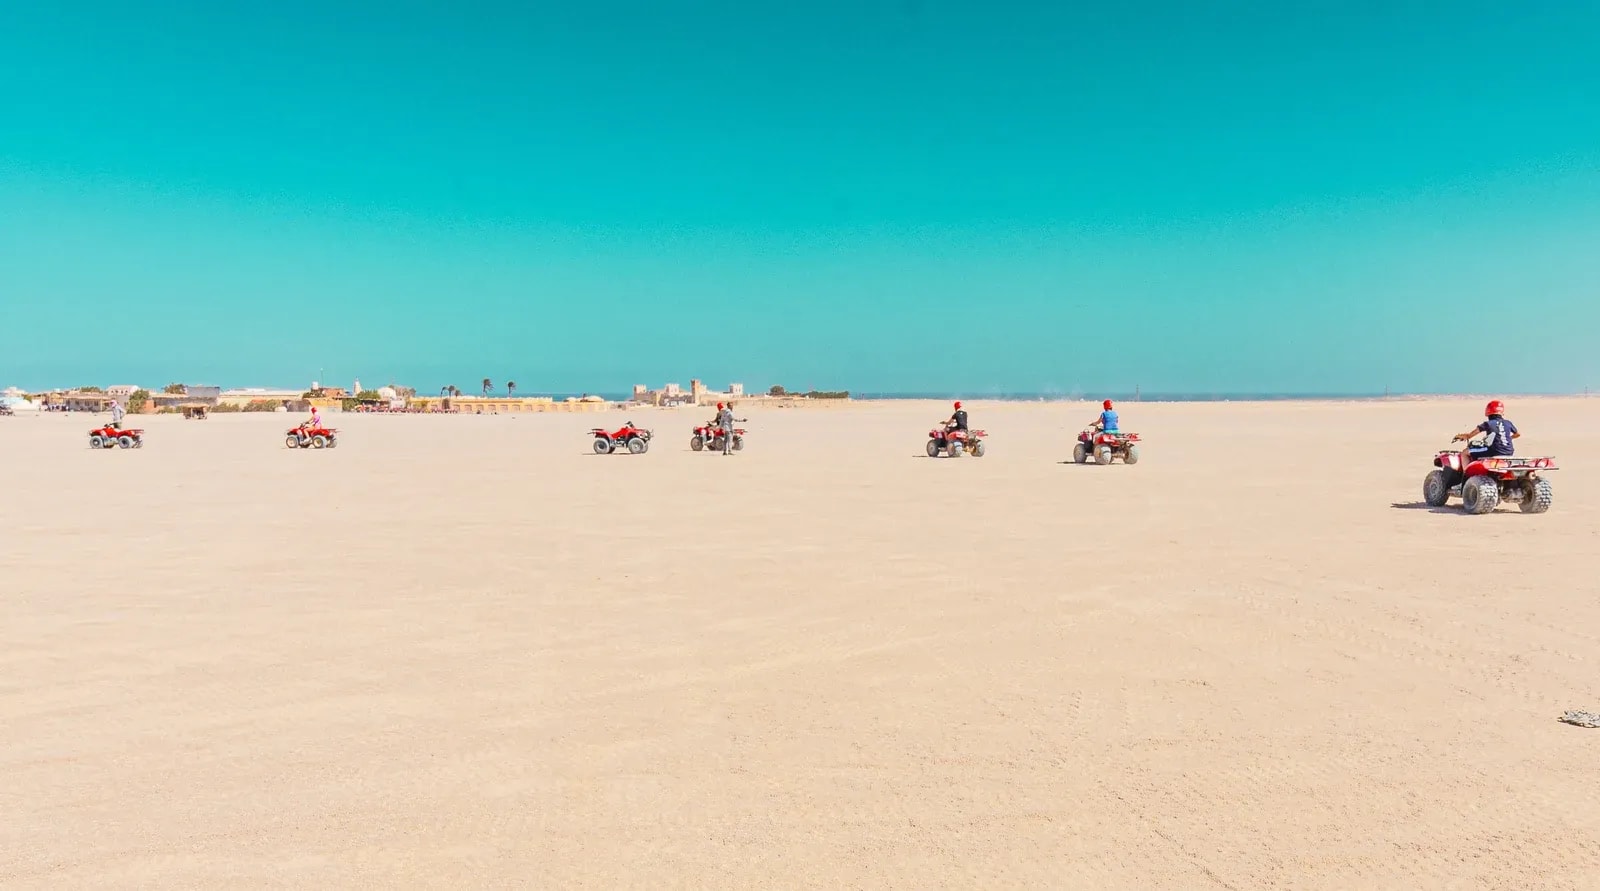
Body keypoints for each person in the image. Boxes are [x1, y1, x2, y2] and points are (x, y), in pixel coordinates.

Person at [1452, 399, 1519, 468]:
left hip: (1494, 451)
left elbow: (1469, 436)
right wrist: (1507, 438)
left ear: (1488, 411)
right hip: (1509, 452)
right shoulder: (1508, 423)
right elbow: (1517, 434)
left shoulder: (1487, 424)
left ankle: (1466, 474)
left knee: (1465, 453)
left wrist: (1460, 436)